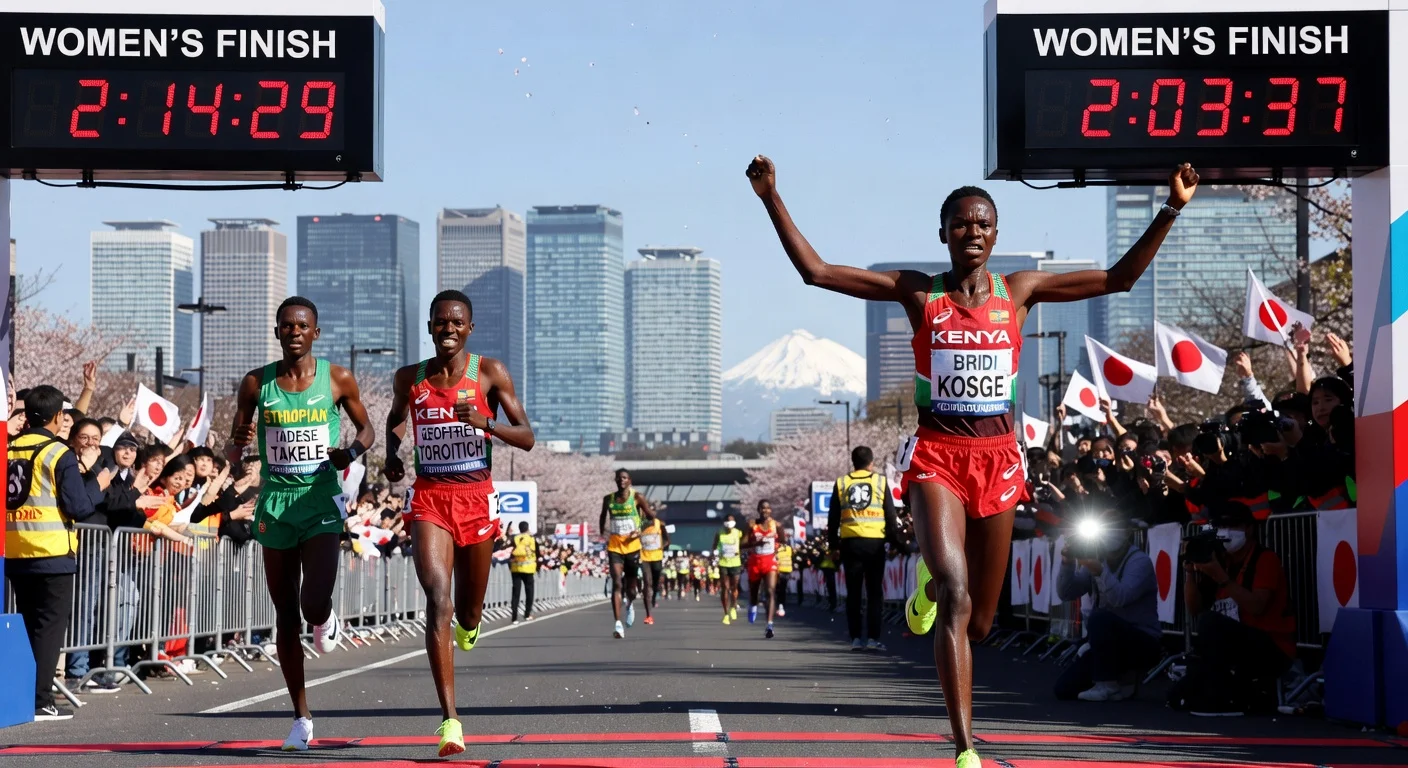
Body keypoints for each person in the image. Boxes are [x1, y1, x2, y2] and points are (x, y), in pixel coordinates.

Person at [748, 154, 1200, 768]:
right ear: (943, 233)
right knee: (958, 602)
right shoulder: (919, 292)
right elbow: (818, 272)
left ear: (996, 233)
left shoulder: (1021, 292)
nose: (973, 232)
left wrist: (1171, 206)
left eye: (983, 223)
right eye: (960, 223)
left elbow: (1119, 277)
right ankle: (965, 749)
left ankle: (932, 584)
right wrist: (772, 197)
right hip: (937, 457)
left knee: (980, 623)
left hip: (999, 460)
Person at [384, 289, 535, 756]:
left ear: (469, 328)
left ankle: (471, 624)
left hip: (476, 498)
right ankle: (450, 721)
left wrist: (486, 424)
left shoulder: (489, 372)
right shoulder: (409, 377)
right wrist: (391, 454)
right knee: (438, 600)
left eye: (456, 322)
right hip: (430, 498)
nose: (448, 329)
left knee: (468, 612)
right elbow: (395, 420)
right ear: (429, 327)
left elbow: (527, 437)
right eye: (439, 322)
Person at [227, 296, 375, 751]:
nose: (294, 331)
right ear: (277, 333)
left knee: (313, 603)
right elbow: (235, 452)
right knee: (285, 613)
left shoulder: (337, 378)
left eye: (302, 325)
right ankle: (301, 716)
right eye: (286, 326)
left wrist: (349, 453)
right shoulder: (256, 384)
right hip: (275, 504)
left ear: (316, 332)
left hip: (319, 501)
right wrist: (239, 444)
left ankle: (326, 618)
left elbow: (367, 431)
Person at [5, 385, 109, 720]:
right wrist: (98, 485)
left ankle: (24, 695)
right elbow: (77, 506)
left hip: (16, 548)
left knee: (27, 623)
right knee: (48, 629)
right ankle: (40, 700)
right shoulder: (58, 453)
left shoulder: (8, 449)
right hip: (52, 552)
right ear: (57, 417)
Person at [1170, 501, 1296, 716]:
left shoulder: (1265, 559)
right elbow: (1194, 609)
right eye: (1220, 526)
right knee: (1176, 696)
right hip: (1233, 645)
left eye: (1232, 526)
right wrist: (1191, 571)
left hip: (1270, 646)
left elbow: (1257, 606)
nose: (1226, 532)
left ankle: (1226, 701)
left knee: (1212, 623)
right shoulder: (1221, 560)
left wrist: (1222, 578)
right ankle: (1222, 691)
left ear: (1249, 528)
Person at [1053, 523, 1161, 702]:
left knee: (1100, 617)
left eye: (1114, 526)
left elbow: (1120, 598)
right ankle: (1121, 679)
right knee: (1064, 689)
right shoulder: (1096, 557)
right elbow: (1067, 593)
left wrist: (1099, 571)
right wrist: (1068, 562)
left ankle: (1108, 684)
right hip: (1106, 643)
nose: (1109, 533)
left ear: (1127, 532)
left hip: (1142, 642)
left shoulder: (1139, 561)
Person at [829, 446, 899, 651]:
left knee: (854, 592)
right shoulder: (880, 481)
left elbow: (833, 519)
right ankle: (873, 638)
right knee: (874, 593)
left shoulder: (842, 483)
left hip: (850, 543)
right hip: (875, 543)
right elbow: (891, 516)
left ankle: (855, 639)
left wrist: (833, 546)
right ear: (871, 462)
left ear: (853, 462)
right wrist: (895, 543)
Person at [600, 469, 651, 638]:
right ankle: (618, 623)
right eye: (618, 477)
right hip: (615, 546)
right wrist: (604, 533)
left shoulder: (637, 497)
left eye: (624, 478)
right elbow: (602, 517)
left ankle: (629, 604)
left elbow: (651, 517)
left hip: (633, 547)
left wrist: (639, 530)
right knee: (616, 583)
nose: (621, 480)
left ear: (630, 480)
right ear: (615, 480)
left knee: (631, 588)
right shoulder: (609, 499)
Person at [744, 500, 783, 638]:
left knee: (771, 591)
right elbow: (742, 545)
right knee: (754, 593)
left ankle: (769, 625)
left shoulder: (777, 525)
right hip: (755, 561)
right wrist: (756, 542)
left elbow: (782, 541)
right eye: (762, 508)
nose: (765, 510)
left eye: (767, 508)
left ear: (770, 510)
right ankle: (752, 606)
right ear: (758, 510)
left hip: (769, 561)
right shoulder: (752, 525)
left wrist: (778, 547)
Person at [638, 508, 669, 619]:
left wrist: (662, 546)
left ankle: (654, 597)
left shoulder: (660, 524)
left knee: (655, 581)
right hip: (644, 557)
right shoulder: (640, 525)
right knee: (647, 581)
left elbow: (667, 540)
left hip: (657, 557)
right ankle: (647, 601)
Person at [714, 513, 744, 624]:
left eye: (731, 521)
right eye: (727, 521)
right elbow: (714, 545)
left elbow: (744, 543)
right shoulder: (719, 533)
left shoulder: (738, 533)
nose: (729, 523)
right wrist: (715, 552)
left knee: (734, 587)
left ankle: (733, 606)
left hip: (735, 563)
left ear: (734, 522)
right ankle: (726, 613)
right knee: (725, 588)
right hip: (723, 563)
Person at [509, 521, 537, 624]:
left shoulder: (515, 538)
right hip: (528, 569)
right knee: (529, 592)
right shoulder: (530, 538)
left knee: (516, 592)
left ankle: (514, 617)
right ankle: (527, 614)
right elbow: (535, 552)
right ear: (527, 528)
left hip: (516, 568)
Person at [775, 537, 794, 618]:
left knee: (779, 589)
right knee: (782, 588)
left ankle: (780, 603)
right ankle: (781, 603)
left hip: (780, 571)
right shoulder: (789, 548)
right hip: (787, 570)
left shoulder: (777, 550)